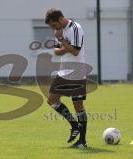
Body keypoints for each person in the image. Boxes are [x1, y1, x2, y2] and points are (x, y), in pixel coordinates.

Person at [45, 8, 88, 148]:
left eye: (53, 25)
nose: (53, 29)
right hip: (63, 72)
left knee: (78, 105)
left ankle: (82, 141)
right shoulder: (59, 31)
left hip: (77, 72)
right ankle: (74, 125)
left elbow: (75, 51)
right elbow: (56, 51)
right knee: (52, 100)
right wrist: (63, 43)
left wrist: (62, 40)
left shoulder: (76, 28)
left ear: (59, 19)